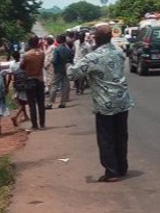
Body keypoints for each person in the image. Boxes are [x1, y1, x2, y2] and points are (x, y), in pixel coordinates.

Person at [68, 23, 134, 182]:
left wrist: (68, 64)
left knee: (106, 138)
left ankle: (111, 171)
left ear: (97, 39)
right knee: (121, 136)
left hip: (105, 103)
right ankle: (121, 167)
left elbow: (73, 74)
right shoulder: (118, 52)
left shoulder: (94, 57)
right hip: (122, 100)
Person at [19, 36, 46, 130]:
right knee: (41, 103)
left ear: (29, 43)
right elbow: (42, 64)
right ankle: (42, 124)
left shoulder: (27, 55)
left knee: (32, 104)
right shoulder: (42, 53)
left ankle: (35, 125)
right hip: (40, 79)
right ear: (38, 43)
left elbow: (21, 66)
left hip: (30, 80)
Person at [47, 33, 72, 108]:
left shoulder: (57, 49)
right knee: (65, 86)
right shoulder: (67, 49)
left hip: (58, 69)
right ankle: (63, 103)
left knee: (54, 85)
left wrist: (52, 62)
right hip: (66, 69)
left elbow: (54, 60)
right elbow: (70, 58)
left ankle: (50, 103)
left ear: (60, 40)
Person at [8, 50, 29, 128]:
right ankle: (16, 116)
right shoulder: (22, 63)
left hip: (16, 85)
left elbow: (10, 76)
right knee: (24, 101)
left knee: (21, 100)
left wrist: (7, 85)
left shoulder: (12, 65)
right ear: (19, 56)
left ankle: (26, 116)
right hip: (24, 84)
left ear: (13, 57)